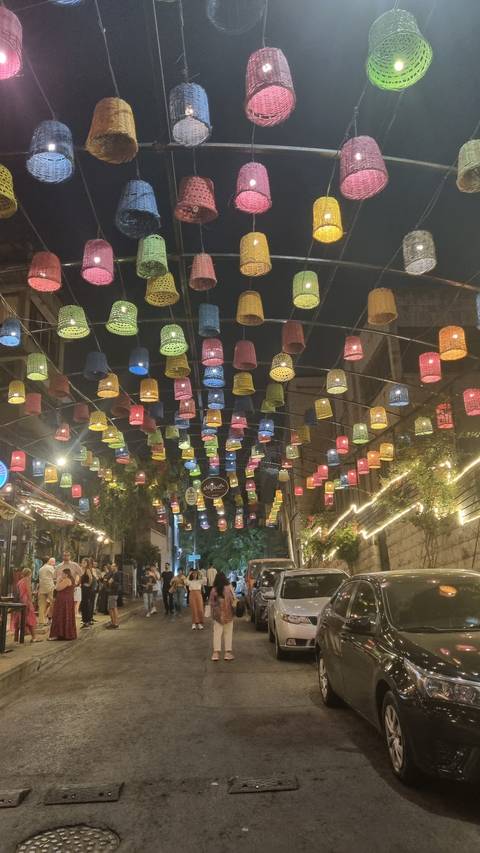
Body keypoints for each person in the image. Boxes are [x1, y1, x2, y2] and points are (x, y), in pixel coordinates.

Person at [210, 572, 236, 661]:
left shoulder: (213, 590)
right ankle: (227, 654)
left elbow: (211, 603)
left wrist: (213, 612)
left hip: (217, 616)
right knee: (228, 633)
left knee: (217, 634)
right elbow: (234, 600)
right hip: (228, 615)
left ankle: (215, 654)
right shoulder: (229, 588)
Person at [12, 568, 41, 643]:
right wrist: (31, 600)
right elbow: (28, 592)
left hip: (20, 600)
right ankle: (34, 637)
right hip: (26, 600)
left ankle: (16, 638)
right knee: (30, 619)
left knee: (19, 619)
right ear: (30, 574)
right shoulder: (27, 580)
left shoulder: (20, 581)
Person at [49, 568, 76, 641]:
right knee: (66, 616)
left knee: (60, 616)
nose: (61, 575)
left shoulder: (67, 580)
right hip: (67, 600)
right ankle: (65, 634)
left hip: (63, 601)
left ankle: (59, 634)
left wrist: (58, 581)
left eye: (62, 574)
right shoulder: (70, 580)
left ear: (66, 574)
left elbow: (57, 588)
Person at [55, 550, 82, 616]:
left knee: (69, 606)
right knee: (60, 607)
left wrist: (77, 584)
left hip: (70, 589)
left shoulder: (74, 565)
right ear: (62, 556)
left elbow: (81, 575)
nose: (66, 557)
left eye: (67, 555)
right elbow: (55, 577)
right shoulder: (58, 566)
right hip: (60, 588)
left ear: (70, 556)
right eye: (64, 555)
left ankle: (68, 622)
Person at [37, 557, 55, 626]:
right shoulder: (50, 567)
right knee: (53, 602)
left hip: (42, 588)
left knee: (41, 605)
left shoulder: (40, 569)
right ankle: (51, 618)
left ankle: (41, 621)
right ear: (48, 561)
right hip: (50, 587)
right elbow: (54, 576)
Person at [79, 558, 97, 628]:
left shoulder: (87, 570)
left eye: (84, 562)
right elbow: (80, 579)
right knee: (83, 604)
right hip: (82, 588)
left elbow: (91, 578)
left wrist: (88, 585)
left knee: (86, 604)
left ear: (87, 563)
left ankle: (87, 621)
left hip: (86, 589)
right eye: (82, 562)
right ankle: (85, 621)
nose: (82, 564)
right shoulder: (82, 570)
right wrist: (78, 584)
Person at [106, 563, 121, 629]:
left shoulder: (116, 574)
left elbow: (109, 582)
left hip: (113, 593)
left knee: (112, 608)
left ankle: (114, 623)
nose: (111, 567)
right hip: (114, 593)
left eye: (113, 566)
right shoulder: (115, 574)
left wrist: (108, 581)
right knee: (112, 608)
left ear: (116, 567)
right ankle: (114, 622)